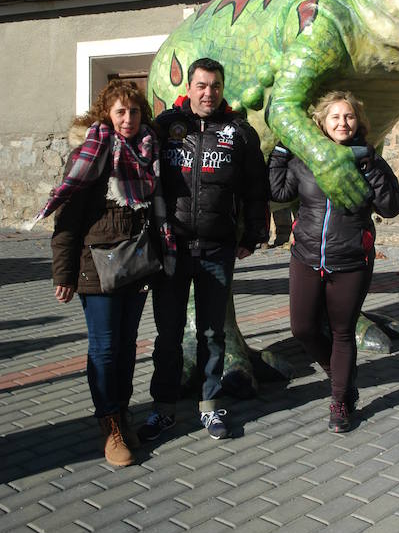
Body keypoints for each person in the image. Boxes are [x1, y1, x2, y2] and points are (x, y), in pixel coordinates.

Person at [43, 79, 173, 467]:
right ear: (107, 114)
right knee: (103, 347)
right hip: (95, 267)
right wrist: (62, 274)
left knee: (127, 345)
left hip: (135, 265)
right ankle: (109, 424)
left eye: (134, 112)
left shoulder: (149, 152)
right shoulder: (90, 154)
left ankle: (122, 411)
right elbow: (66, 221)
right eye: (120, 112)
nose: (128, 119)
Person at [138, 57, 269, 442]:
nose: (208, 93)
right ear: (189, 88)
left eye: (215, 86)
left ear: (221, 88)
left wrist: (253, 234)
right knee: (168, 334)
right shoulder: (163, 130)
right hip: (171, 249)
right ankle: (162, 409)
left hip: (217, 248)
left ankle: (211, 407)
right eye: (201, 85)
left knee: (213, 334)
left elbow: (255, 189)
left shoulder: (239, 132)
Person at [268, 89, 399, 433]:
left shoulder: (367, 159)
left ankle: (341, 400)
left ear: (357, 122)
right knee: (303, 328)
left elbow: (392, 206)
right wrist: (282, 151)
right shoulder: (306, 159)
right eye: (335, 117)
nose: (342, 123)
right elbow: (279, 193)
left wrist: (370, 166)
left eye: (349, 117)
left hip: (351, 259)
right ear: (322, 122)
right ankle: (342, 375)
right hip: (306, 256)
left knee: (342, 332)